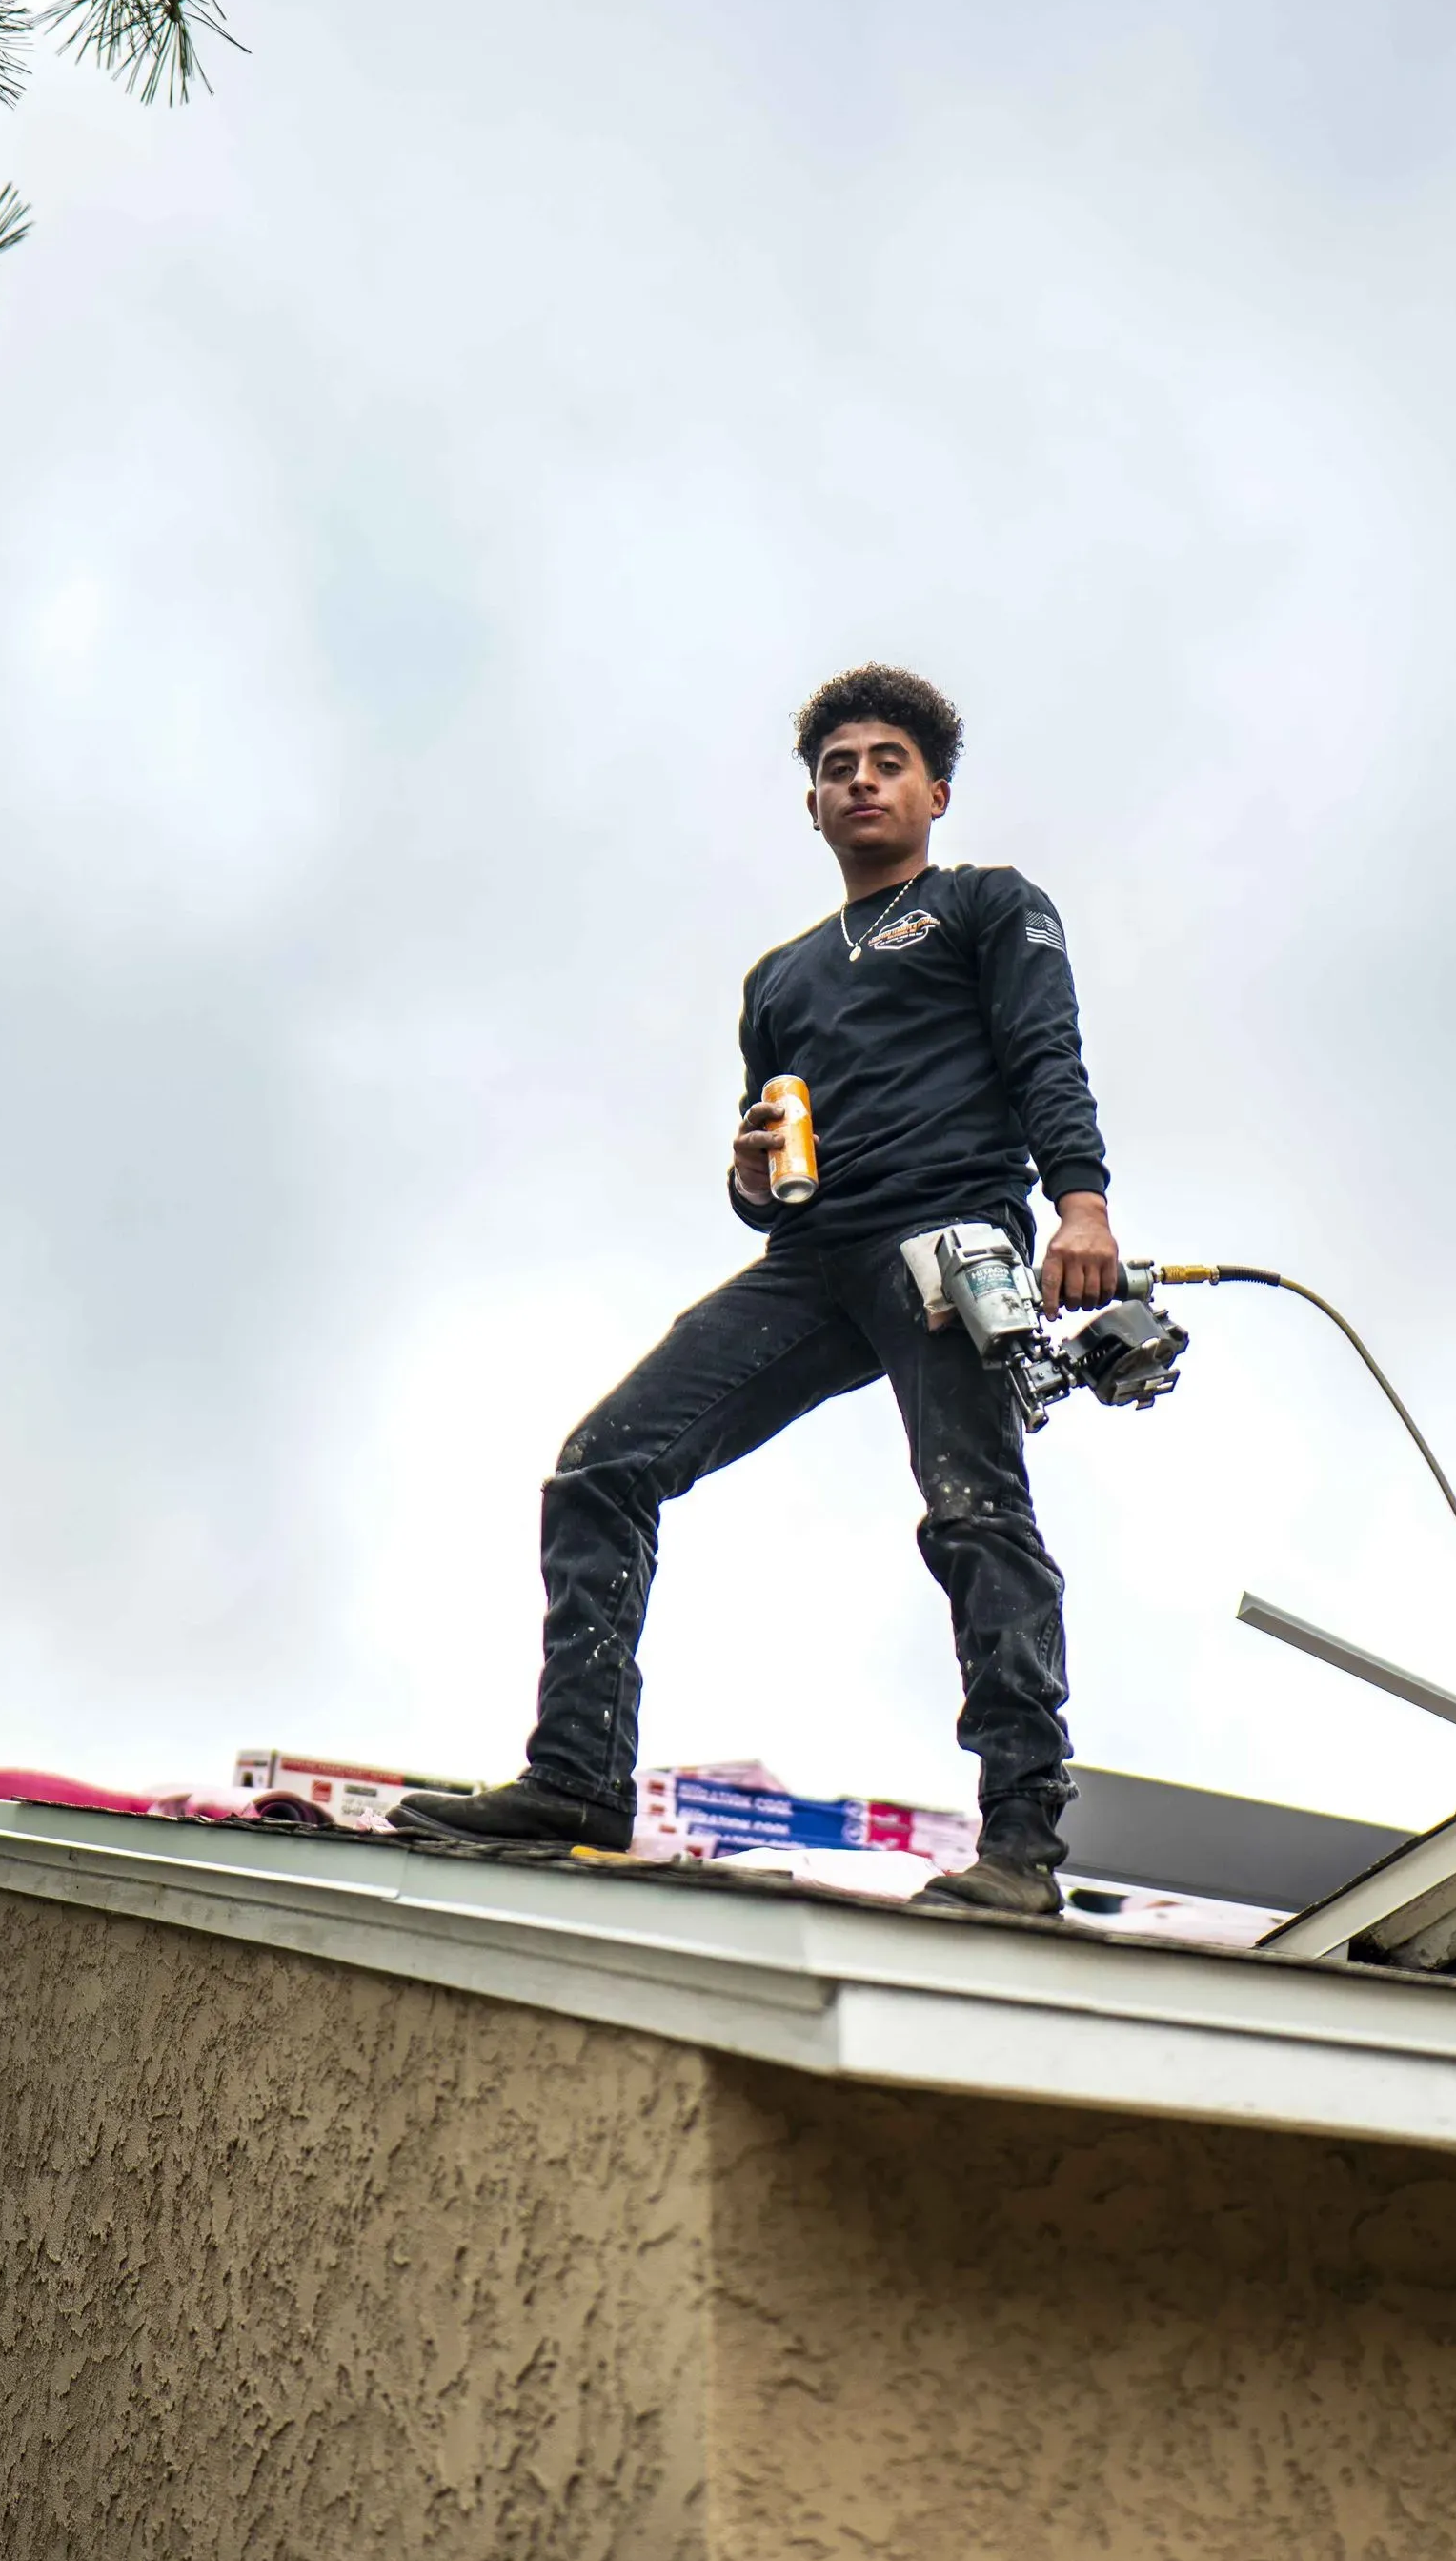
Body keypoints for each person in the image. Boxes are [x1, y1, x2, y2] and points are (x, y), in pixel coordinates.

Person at [392, 664, 1119, 1914]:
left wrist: (1083, 1203)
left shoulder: (986, 906)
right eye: (837, 769)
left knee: (975, 1513)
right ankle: (575, 1777)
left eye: (887, 762)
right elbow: (778, 1169)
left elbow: (1045, 1051)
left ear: (936, 790)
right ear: (812, 807)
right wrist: (748, 1179)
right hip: (811, 1260)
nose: (860, 781)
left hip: (948, 1237)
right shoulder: (779, 981)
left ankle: (1020, 1849)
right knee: (602, 1465)